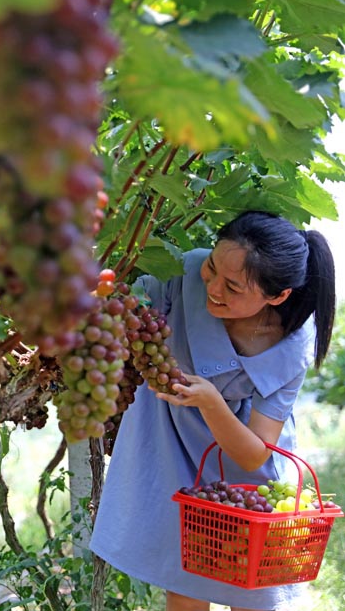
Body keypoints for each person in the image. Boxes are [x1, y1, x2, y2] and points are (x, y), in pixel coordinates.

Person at [89, 210, 336, 611]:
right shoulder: (183, 272)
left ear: (277, 296)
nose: (213, 288)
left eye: (233, 287)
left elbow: (256, 451)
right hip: (173, 440)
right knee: (186, 579)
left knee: (253, 584)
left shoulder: (293, 342)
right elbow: (127, 308)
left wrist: (210, 400)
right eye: (211, 267)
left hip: (244, 453)